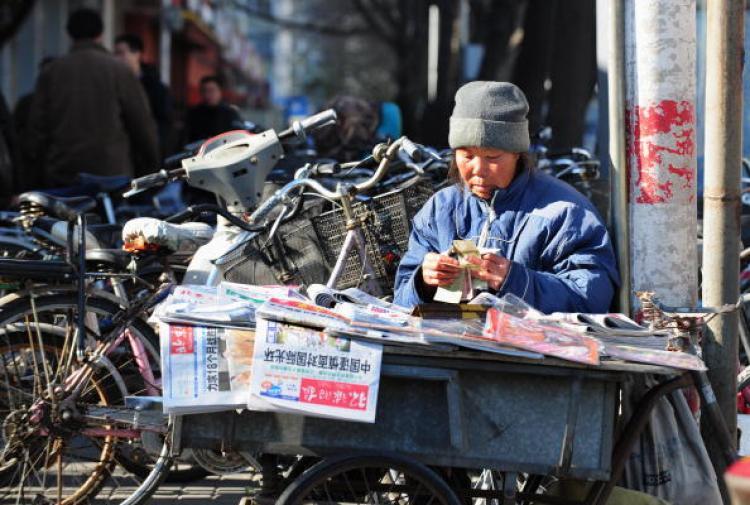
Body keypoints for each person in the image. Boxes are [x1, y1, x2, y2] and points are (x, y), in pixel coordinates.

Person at [393, 81, 618, 314]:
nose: (478, 169)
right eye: (467, 156)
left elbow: (591, 299)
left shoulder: (566, 213)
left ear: (517, 154)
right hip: (451, 346)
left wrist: (514, 280)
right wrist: (423, 282)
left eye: (492, 157)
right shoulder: (441, 209)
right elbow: (401, 301)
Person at [24, 8, 159, 187]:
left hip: (64, 170)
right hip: (111, 172)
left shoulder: (52, 71)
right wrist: (152, 167)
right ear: (100, 34)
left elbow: (37, 128)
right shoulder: (118, 70)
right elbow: (141, 124)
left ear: (69, 34)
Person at [114, 33, 174, 158]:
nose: (117, 58)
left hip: (145, 154)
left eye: (121, 53)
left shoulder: (156, 87)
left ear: (137, 54)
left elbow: (164, 124)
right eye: (115, 53)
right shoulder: (113, 83)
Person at [184, 75, 241, 143]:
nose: (207, 95)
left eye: (211, 90)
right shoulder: (194, 113)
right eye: (204, 91)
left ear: (220, 91)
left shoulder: (230, 113)